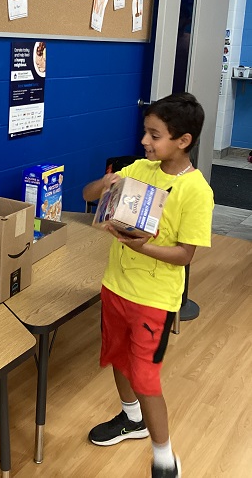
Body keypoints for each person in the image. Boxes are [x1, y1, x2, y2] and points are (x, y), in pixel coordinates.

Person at [82, 92, 214, 478]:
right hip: (116, 287)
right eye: (145, 132)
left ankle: (164, 455)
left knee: (145, 376)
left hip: (153, 300)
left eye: (154, 135)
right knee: (116, 358)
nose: (145, 141)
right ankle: (131, 419)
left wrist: (146, 247)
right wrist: (105, 184)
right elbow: (88, 196)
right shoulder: (140, 169)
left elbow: (185, 255)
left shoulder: (196, 192)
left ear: (182, 140)